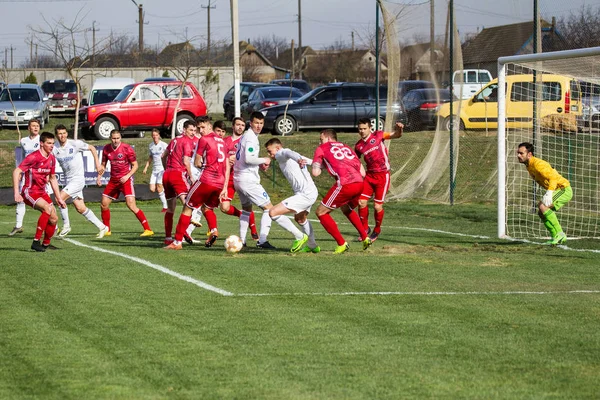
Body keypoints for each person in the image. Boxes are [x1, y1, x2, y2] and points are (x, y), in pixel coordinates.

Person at [233, 111, 302, 249]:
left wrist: (259, 163)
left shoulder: (246, 136)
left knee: (246, 209)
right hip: (248, 180)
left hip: (238, 178)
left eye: (261, 123)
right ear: (250, 123)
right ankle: (263, 240)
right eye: (256, 123)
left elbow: (245, 158)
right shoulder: (251, 138)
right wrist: (264, 159)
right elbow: (248, 158)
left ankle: (242, 241)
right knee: (269, 208)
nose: (259, 126)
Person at [165, 118, 229, 250]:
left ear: (210, 126)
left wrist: (203, 165)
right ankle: (213, 230)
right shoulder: (223, 142)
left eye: (202, 127)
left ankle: (177, 242)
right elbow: (227, 166)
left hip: (207, 180)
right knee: (207, 208)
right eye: (198, 128)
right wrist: (225, 186)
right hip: (220, 182)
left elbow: (196, 163)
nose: (200, 131)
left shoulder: (204, 140)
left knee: (187, 207)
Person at [312, 129, 372, 254]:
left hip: (345, 184)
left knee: (321, 212)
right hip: (360, 183)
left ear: (328, 138)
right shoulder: (346, 147)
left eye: (321, 139)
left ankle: (341, 243)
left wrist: (314, 163)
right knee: (346, 209)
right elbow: (362, 172)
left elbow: (315, 173)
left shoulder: (322, 148)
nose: (320, 142)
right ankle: (365, 237)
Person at [12, 131, 67, 251]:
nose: (52, 146)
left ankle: (45, 244)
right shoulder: (33, 157)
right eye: (49, 143)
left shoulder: (52, 158)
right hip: (29, 191)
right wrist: (16, 192)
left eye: (53, 143)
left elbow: (52, 178)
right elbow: (16, 171)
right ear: (41, 143)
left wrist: (59, 198)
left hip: (42, 192)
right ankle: (36, 241)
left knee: (54, 218)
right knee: (47, 209)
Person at [52, 124, 109, 238]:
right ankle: (102, 227)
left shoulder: (75, 144)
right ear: (56, 135)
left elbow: (92, 148)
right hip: (68, 181)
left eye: (64, 133)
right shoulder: (54, 148)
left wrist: (97, 165)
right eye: (60, 134)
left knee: (60, 199)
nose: (62, 136)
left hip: (78, 180)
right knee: (80, 208)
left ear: (67, 134)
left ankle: (66, 226)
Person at [265, 138, 318, 253]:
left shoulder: (281, 153)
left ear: (278, 148)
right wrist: (319, 165)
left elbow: (288, 153)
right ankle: (313, 245)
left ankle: (299, 236)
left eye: (270, 151)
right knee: (300, 218)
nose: (269, 154)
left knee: (272, 212)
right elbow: (307, 160)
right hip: (310, 191)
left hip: (305, 194)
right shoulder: (291, 156)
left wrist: (298, 159)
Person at [354, 118, 404, 242]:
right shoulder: (359, 146)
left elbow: (396, 135)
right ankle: (365, 229)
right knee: (361, 202)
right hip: (370, 176)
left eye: (364, 128)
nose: (362, 131)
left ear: (370, 128)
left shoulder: (378, 135)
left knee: (377, 206)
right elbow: (356, 161)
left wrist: (400, 129)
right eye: (360, 129)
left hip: (382, 176)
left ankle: (377, 230)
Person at [99, 129, 153, 237]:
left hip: (126, 180)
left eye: (118, 138)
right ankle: (107, 230)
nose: (116, 140)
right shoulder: (106, 149)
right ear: (110, 138)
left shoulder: (126, 148)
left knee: (131, 205)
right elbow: (103, 165)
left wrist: (127, 176)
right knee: (104, 204)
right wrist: (99, 176)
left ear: (120, 138)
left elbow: (135, 165)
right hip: (113, 180)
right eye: (114, 138)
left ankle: (148, 229)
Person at [517, 142, 573, 245]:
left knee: (543, 206)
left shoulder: (538, 164)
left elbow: (553, 177)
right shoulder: (529, 165)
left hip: (563, 188)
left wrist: (549, 192)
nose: (518, 155)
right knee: (541, 212)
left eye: (521, 153)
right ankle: (554, 236)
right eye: (518, 153)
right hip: (557, 189)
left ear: (529, 154)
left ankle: (560, 233)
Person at [220, 117, 259, 240]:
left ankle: (253, 229)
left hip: (243, 177)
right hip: (228, 178)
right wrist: (227, 159)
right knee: (224, 207)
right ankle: (241, 215)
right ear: (232, 126)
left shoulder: (246, 140)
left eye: (243, 125)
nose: (240, 127)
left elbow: (250, 156)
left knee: (248, 206)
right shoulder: (224, 141)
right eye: (238, 124)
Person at [161, 120, 199, 245]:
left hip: (167, 175)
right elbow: (186, 162)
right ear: (184, 130)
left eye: (194, 130)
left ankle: (168, 238)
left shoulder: (174, 140)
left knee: (171, 208)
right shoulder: (187, 142)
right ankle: (185, 229)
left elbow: (163, 156)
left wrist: (166, 168)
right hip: (178, 174)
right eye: (190, 130)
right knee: (188, 202)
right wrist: (191, 176)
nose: (193, 133)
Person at [9, 119, 42, 236]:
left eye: (37, 126)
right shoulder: (23, 141)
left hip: (40, 175)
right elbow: (23, 158)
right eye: (33, 126)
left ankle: (55, 225)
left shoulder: (42, 140)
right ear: (28, 128)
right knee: (21, 198)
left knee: (45, 200)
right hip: (27, 174)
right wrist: (20, 172)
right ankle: (18, 225)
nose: (35, 128)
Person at [142, 128, 169, 212]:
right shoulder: (151, 146)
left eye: (156, 135)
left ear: (159, 135)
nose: (155, 137)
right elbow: (150, 157)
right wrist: (146, 167)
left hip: (162, 169)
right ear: (152, 136)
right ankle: (166, 191)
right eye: (153, 136)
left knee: (159, 186)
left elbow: (170, 154)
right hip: (154, 170)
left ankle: (165, 207)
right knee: (152, 189)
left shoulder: (164, 145)